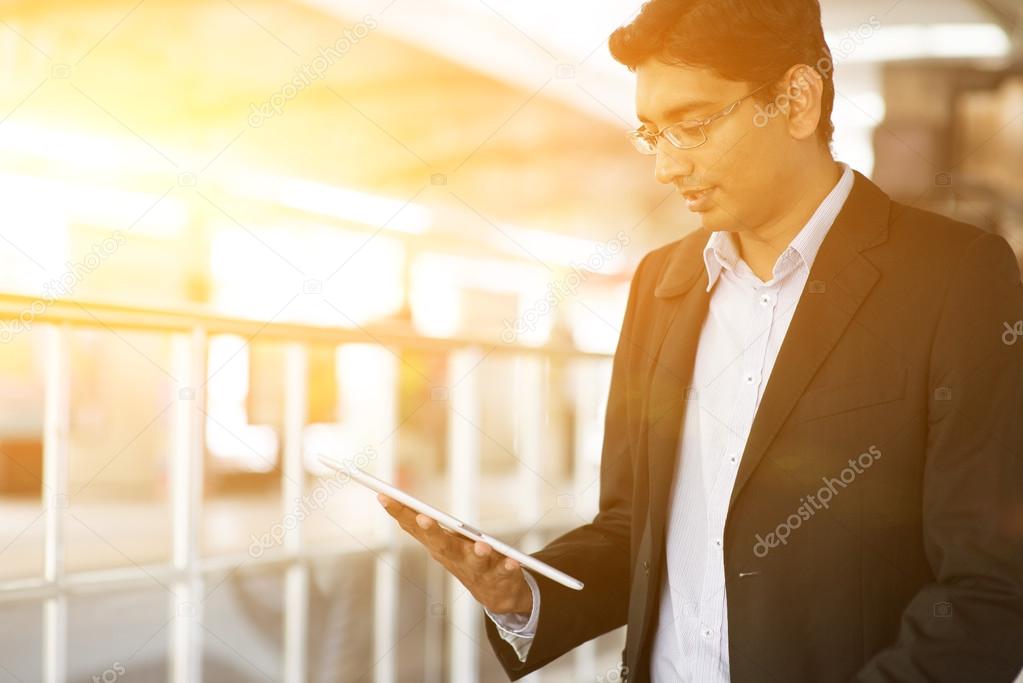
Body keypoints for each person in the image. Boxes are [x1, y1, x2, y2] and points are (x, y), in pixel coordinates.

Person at [379, 1, 1023, 680]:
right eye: (650, 134)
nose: (665, 166)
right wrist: (526, 593)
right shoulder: (662, 284)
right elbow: (634, 523)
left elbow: (989, 587)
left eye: (690, 126)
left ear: (797, 100)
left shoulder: (954, 278)